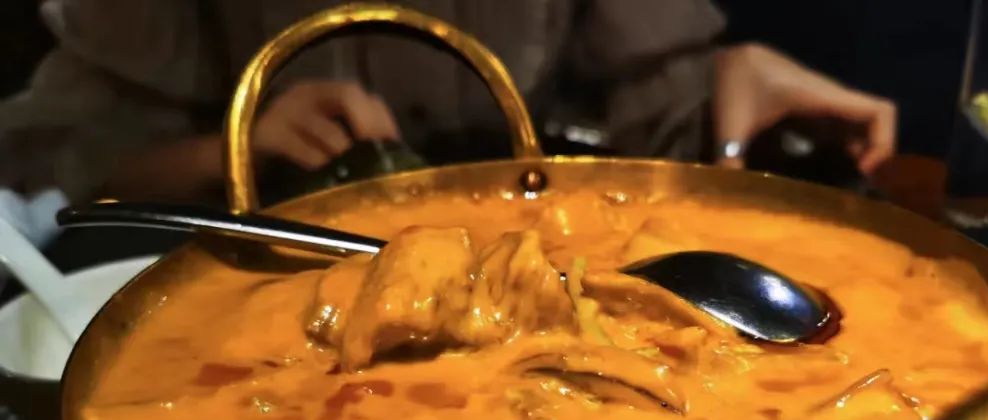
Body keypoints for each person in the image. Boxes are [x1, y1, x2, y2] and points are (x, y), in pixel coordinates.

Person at [0, 0, 896, 205]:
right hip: (262, 283)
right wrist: (236, 145)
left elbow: (653, 117)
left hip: (522, 242)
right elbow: (51, 167)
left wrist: (728, 81)